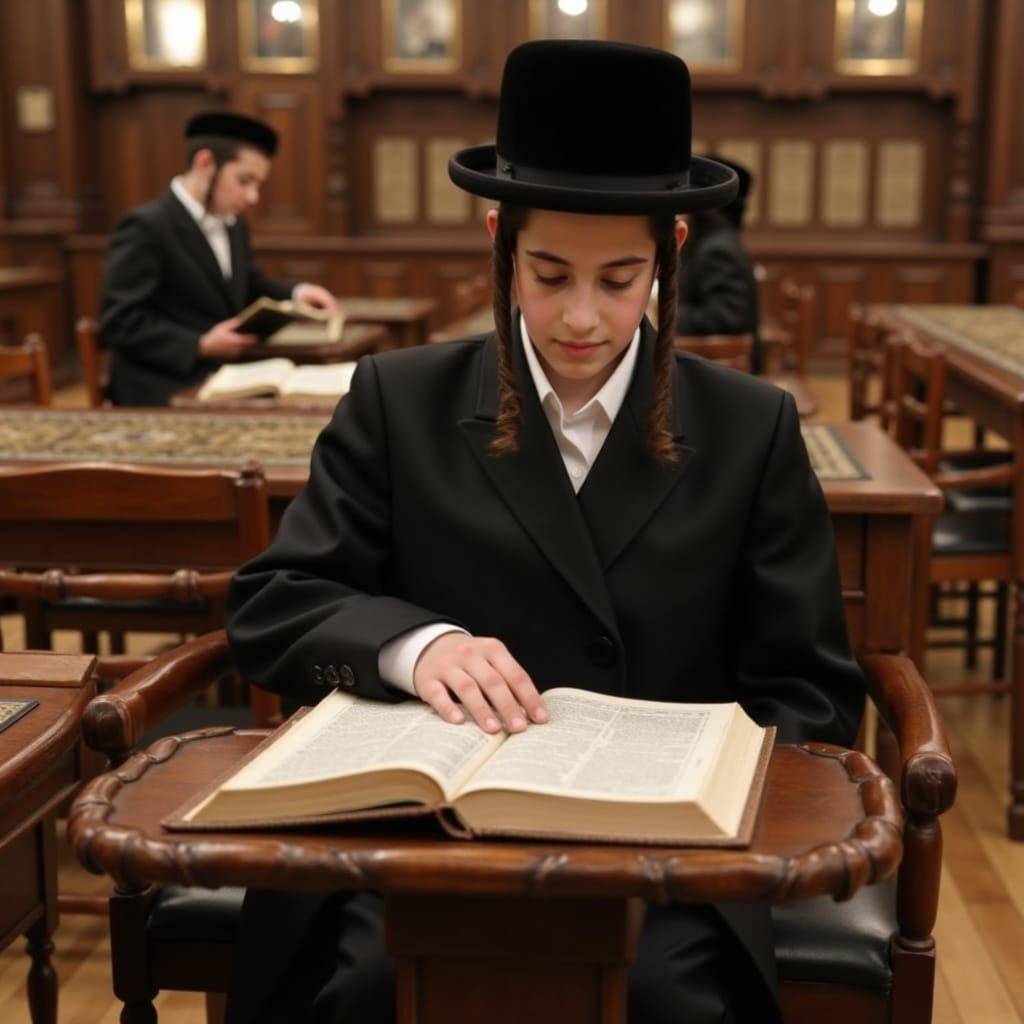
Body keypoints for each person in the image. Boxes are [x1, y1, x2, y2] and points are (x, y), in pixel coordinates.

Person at [224, 39, 864, 1024]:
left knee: (663, 1001)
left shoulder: (750, 425)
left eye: (619, 279)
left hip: (666, 863)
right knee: (366, 990)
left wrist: (700, 775)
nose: (579, 317)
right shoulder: (400, 398)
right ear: (497, 237)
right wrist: (413, 644)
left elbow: (811, 691)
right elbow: (275, 607)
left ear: (672, 249)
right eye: (548, 271)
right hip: (421, 843)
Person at [100, 110, 336, 406]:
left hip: (222, 376)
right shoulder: (145, 226)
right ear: (205, 163)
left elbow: (247, 283)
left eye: (258, 184)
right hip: (162, 386)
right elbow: (119, 322)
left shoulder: (234, 225)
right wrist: (199, 345)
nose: (253, 197)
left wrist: (297, 292)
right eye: (244, 181)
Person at [675, 155, 762, 370]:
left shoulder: (718, 250)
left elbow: (725, 318)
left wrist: (666, 315)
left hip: (726, 365)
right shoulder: (712, 241)